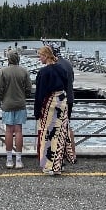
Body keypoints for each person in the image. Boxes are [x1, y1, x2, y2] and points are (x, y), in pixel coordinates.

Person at [34, 45, 74, 175]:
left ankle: (48, 165)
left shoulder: (43, 72)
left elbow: (39, 94)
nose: (39, 58)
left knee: (47, 134)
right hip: (62, 102)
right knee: (61, 133)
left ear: (46, 56)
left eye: (40, 56)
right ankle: (59, 164)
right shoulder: (61, 69)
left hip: (49, 103)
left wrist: (37, 111)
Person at [0, 50, 32, 169]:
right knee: (19, 131)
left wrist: (3, 99)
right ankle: (19, 160)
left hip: (7, 104)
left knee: (8, 131)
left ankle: (9, 160)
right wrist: (23, 96)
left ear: (8, 59)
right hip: (20, 104)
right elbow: (28, 89)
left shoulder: (3, 71)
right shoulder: (24, 71)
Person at [53, 46, 76, 162]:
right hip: (70, 98)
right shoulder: (67, 63)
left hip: (61, 100)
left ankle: (60, 155)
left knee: (59, 127)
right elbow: (72, 80)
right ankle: (72, 153)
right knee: (67, 126)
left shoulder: (57, 66)